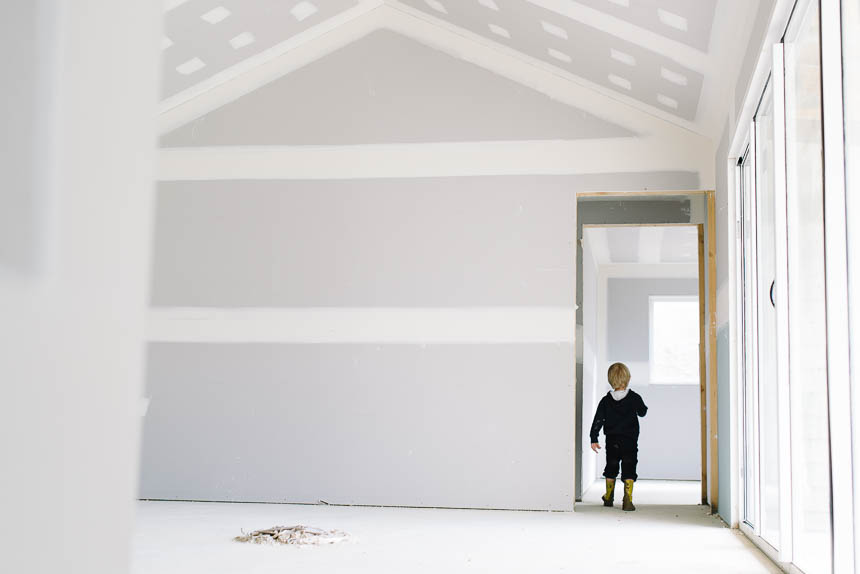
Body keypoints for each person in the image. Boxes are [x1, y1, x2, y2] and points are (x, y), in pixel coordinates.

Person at [590, 362, 648, 511]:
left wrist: (594, 438)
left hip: (612, 441)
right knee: (629, 466)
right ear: (627, 378)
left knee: (611, 466)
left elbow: (598, 420)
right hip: (629, 440)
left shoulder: (605, 400)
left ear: (610, 380)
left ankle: (609, 497)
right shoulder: (634, 397)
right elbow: (642, 412)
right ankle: (627, 499)